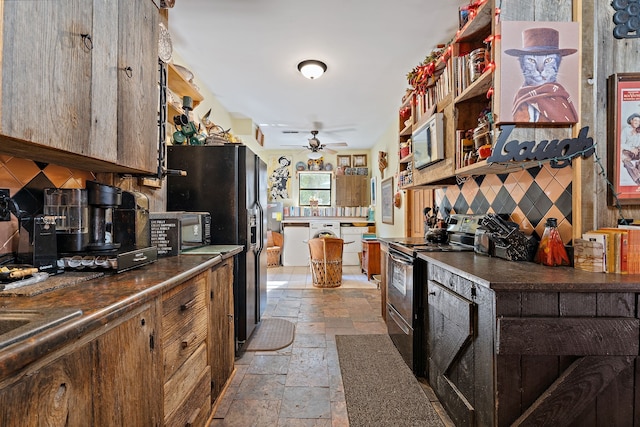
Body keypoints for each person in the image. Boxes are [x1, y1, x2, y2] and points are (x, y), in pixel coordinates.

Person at [505, 27, 578, 123]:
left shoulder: (561, 97)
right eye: (531, 60)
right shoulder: (520, 97)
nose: (540, 69)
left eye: (548, 60)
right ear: (522, 64)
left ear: (558, 62)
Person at [621, 113, 640, 183]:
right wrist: (631, 149)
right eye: (635, 120)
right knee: (626, 162)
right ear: (631, 121)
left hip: (637, 151)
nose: (637, 122)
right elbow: (621, 143)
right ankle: (637, 179)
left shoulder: (639, 131)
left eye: (638, 121)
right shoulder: (625, 130)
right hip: (627, 152)